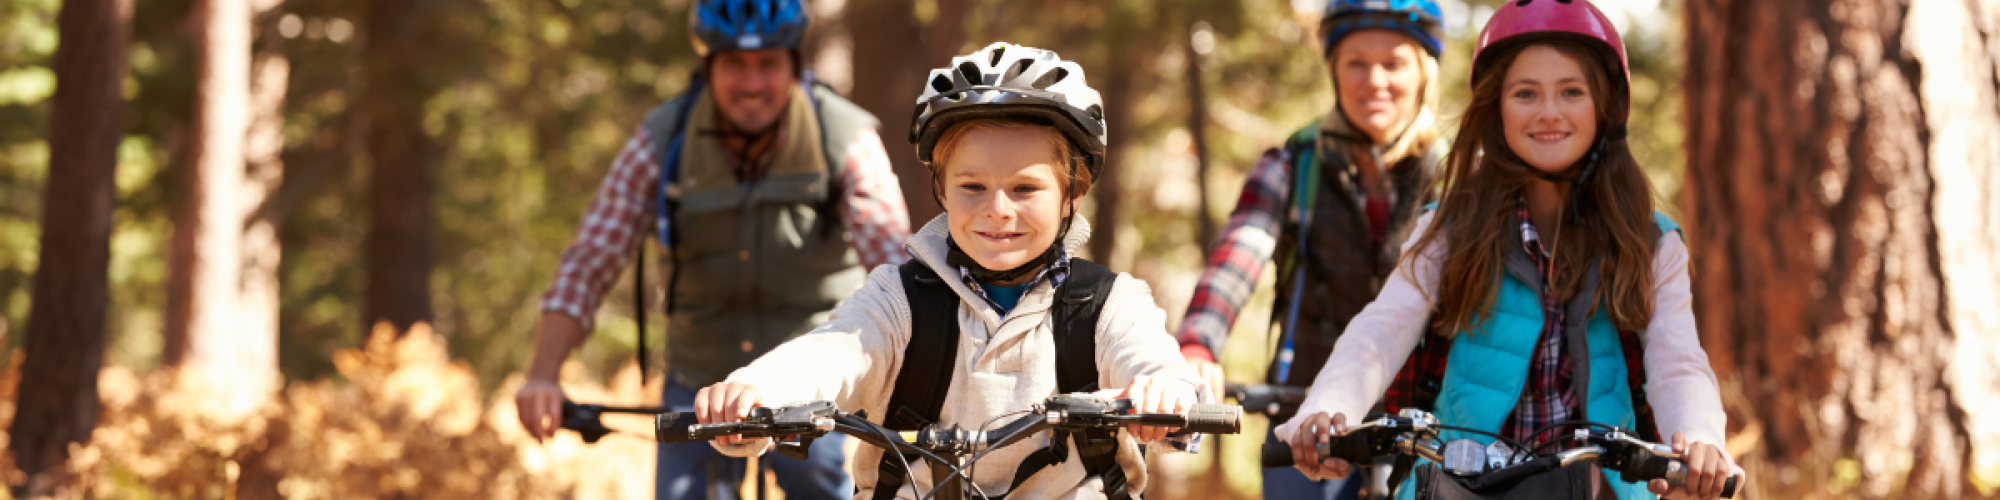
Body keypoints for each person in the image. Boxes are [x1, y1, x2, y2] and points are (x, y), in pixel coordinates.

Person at [693, 42, 1207, 500]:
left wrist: (1164, 391)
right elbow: (835, 350)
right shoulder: (898, 299)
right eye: (972, 186)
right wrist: (758, 390)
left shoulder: (1109, 304)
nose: (998, 209)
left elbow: (1154, 362)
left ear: (1072, 191)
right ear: (942, 190)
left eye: (1025, 189)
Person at [1279, 1, 1743, 499]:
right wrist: (1329, 406)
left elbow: (1678, 361)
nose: (1549, 112)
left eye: (1571, 92)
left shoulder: (1649, 242)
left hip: (1596, 488)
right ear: (1496, 108)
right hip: (1459, 484)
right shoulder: (1449, 227)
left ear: (1605, 107)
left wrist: (1698, 439)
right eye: (1525, 93)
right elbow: (1383, 326)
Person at [512, 0, 912, 498]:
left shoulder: (846, 136)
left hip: (809, 378)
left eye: (767, 63)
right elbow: (592, 258)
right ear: (707, 68)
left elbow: (894, 261)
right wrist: (543, 374)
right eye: (734, 65)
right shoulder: (662, 139)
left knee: (820, 484)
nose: (752, 83)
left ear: (794, 65)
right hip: (697, 377)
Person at [1173, 0, 1445, 497]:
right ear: (1334, 70)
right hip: (1305, 411)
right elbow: (1239, 255)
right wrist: (1197, 344)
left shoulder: (1457, 177)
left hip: (1426, 417)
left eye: (1394, 64)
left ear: (1424, 73)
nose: (1374, 80)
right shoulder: (1294, 164)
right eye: (1356, 62)